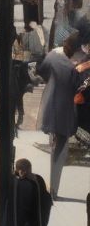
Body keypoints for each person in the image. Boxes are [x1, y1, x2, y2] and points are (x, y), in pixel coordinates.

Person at [36, 33, 90, 197]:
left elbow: (43, 72)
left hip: (51, 112)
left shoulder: (53, 57)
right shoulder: (73, 69)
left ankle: (53, 189)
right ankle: (53, 190)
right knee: (59, 152)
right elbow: (79, 87)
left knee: (56, 149)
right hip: (65, 115)